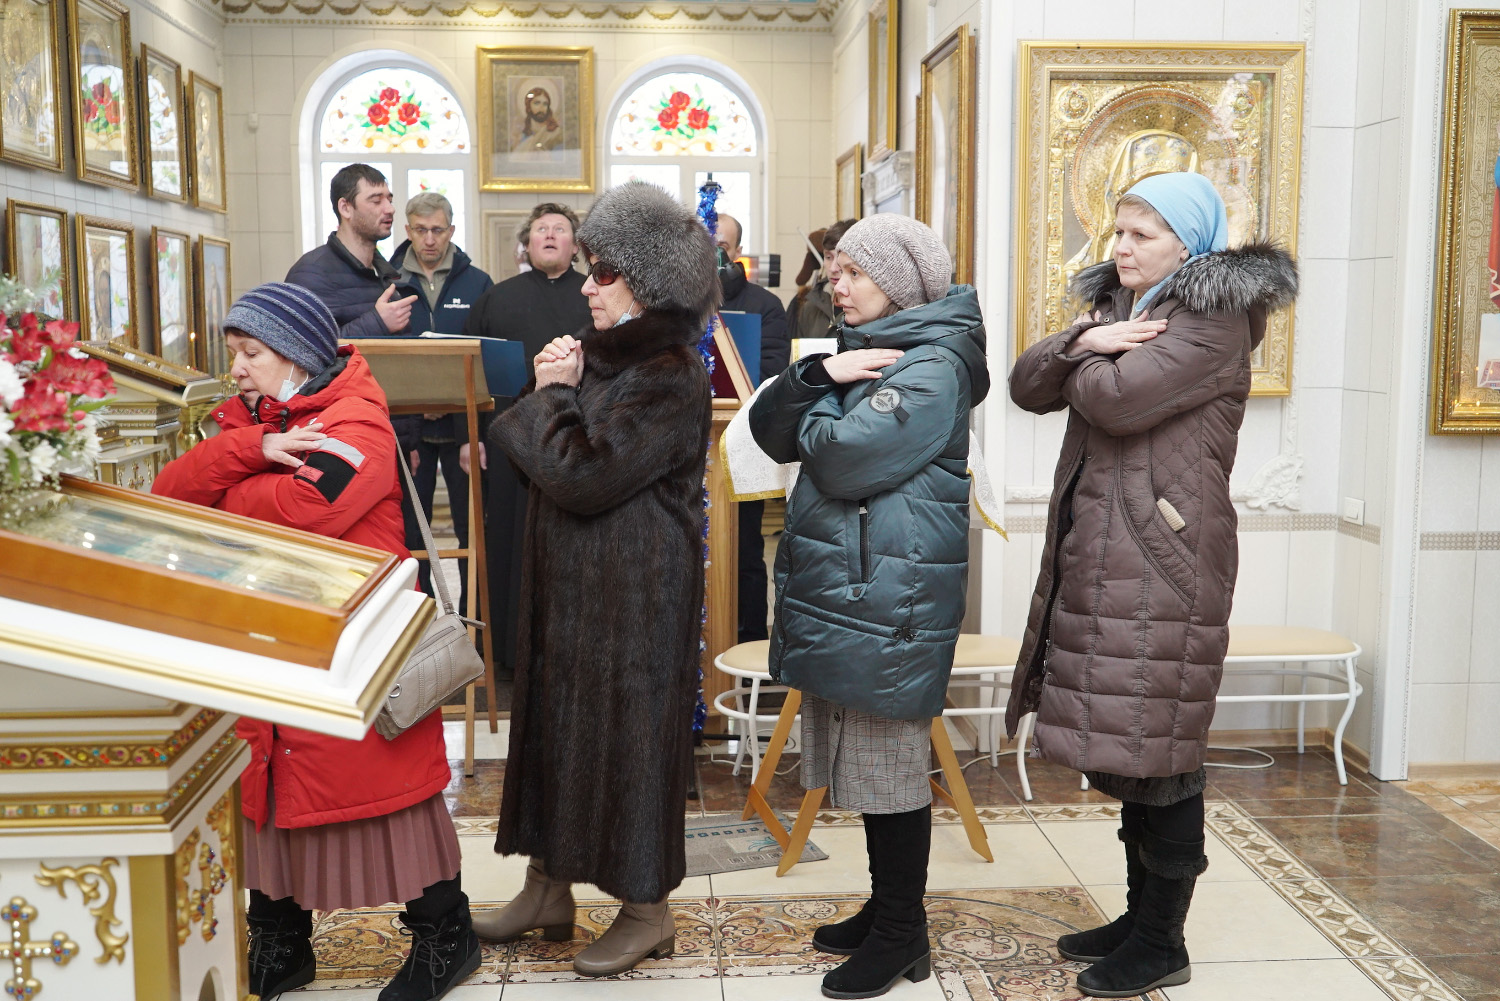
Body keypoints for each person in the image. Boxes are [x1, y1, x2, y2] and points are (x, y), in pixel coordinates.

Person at [1006, 171, 1298, 998]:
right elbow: (1027, 384)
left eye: (1142, 234)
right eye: (1119, 231)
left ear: (1187, 243)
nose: (1121, 247)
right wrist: (1087, 341)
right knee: (1135, 746)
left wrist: (1087, 351)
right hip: (1112, 556)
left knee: (1164, 755)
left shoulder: (1212, 321)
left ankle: (1163, 939)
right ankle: (1139, 919)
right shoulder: (1124, 310)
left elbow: (1116, 401)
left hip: (1165, 564)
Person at [151, 283, 479, 1001]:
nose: (237, 368)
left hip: (356, 656)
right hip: (271, 648)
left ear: (296, 355)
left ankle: (446, 937)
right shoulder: (250, 422)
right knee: (268, 796)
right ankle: (281, 942)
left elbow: (303, 509)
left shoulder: (356, 418)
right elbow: (167, 497)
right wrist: (254, 448)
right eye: (234, 352)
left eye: (252, 353)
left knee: (392, 797)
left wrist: (225, 491)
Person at [476, 181, 717, 977]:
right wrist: (554, 392)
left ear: (648, 283)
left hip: (637, 596)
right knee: (555, 726)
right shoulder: (599, 357)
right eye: (588, 266)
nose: (587, 284)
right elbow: (544, 458)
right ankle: (548, 888)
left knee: (630, 744)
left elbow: (581, 474)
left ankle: (647, 909)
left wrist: (551, 394)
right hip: (571, 591)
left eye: (604, 271)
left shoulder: (670, 372)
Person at [748, 214, 989, 1000]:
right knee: (863, 762)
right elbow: (769, 432)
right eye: (836, 268)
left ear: (901, 282)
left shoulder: (935, 364)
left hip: (893, 595)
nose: (835, 282)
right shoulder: (862, 351)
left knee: (889, 767)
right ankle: (889, 909)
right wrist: (819, 376)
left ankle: (901, 934)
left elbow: (841, 459)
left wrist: (821, 401)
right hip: (857, 588)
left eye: (853, 271)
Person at [460, 202, 592, 679]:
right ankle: (508, 651)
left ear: (576, 246)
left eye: (560, 229)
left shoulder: (595, 295)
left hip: (579, 442)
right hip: (508, 443)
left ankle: (573, 650)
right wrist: (468, 438)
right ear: (526, 243)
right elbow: (468, 372)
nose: (550, 235)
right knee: (508, 538)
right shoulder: (495, 299)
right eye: (541, 229)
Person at [389, 191, 494, 615]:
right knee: (412, 534)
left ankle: (473, 621)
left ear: (451, 230)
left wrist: (474, 429)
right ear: (407, 230)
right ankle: (426, 619)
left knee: (472, 530)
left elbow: (485, 357)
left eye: (437, 230)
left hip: (462, 427)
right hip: (408, 427)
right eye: (420, 230)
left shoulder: (477, 283)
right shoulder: (388, 281)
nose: (429, 239)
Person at [715, 211, 790, 644]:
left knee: (744, 551)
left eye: (721, 247)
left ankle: (748, 643)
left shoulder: (765, 305)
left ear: (738, 251)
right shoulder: (672, 300)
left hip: (744, 443)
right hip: (685, 444)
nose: (713, 255)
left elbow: (772, 375)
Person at [286, 163, 419, 339]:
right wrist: (378, 322)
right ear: (345, 208)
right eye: (376, 201)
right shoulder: (312, 272)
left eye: (389, 200)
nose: (390, 209)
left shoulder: (383, 272)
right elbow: (303, 345)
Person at [787, 218, 856, 341]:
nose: (833, 268)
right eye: (828, 257)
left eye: (840, 257)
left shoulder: (872, 309)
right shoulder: (810, 307)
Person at [513, 86, 562, 152]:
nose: (541, 108)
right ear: (529, 106)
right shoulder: (522, 135)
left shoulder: (555, 133)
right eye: (537, 103)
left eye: (545, 104)